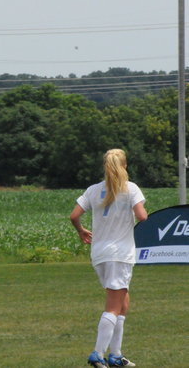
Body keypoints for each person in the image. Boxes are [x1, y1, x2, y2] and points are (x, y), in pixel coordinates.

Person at [69, 149, 147, 368]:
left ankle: (116, 355)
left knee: (123, 303)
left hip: (100, 253)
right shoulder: (130, 188)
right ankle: (97, 353)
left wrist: (81, 231)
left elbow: (74, 216)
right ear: (125, 166)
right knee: (113, 307)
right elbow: (142, 216)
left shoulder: (93, 190)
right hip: (119, 254)